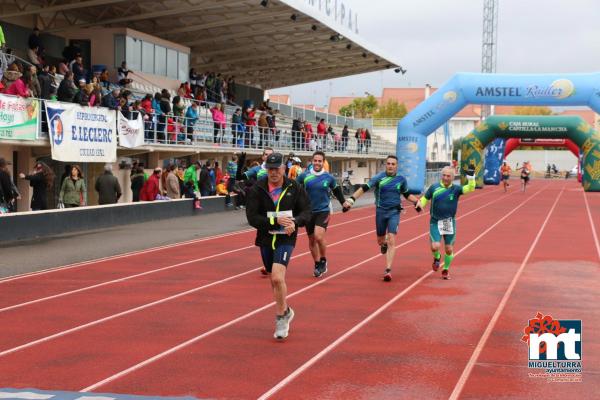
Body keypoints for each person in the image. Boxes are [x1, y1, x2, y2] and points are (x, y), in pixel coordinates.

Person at [245, 152, 311, 340]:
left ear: (284, 168)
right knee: (274, 279)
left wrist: (295, 222)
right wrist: (275, 219)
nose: (274, 172)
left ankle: (281, 317)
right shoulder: (258, 188)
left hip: (286, 238)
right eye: (270, 169)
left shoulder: (295, 187)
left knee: (276, 277)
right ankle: (287, 310)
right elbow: (252, 217)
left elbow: (307, 211)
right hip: (265, 238)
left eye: (277, 168)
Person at [344, 155, 422, 281]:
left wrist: (416, 201)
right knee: (380, 241)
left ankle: (388, 270)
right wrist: (351, 200)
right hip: (381, 211)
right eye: (388, 163)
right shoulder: (379, 178)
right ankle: (383, 242)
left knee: (392, 238)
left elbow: (406, 194)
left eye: (393, 164)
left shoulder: (401, 179)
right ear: (386, 165)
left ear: (397, 166)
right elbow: (364, 188)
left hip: (394, 212)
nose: (390, 166)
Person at [418, 166, 476, 280]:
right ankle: (437, 257)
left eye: (448, 176)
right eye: (444, 175)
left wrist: (471, 178)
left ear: (453, 177)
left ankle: (445, 269)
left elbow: (470, 188)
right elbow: (425, 198)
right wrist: (420, 204)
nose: (445, 177)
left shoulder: (456, 189)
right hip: (435, 221)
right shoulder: (434, 188)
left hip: (449, 222)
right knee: (435, 247)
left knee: (449, 249)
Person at [297, 151, 347, 277]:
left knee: (319, 236)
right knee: (312, 240)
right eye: (315, 160)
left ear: (323, 162)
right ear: (312, 161)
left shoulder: (328, 177)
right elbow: (294, 188)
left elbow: (337, 191)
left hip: (323, 210)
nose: (317, 163)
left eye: (320, 161)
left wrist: (343, 203)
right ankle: (317, 263)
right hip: (308, 212)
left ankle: (323, 260)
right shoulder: (304, 176)